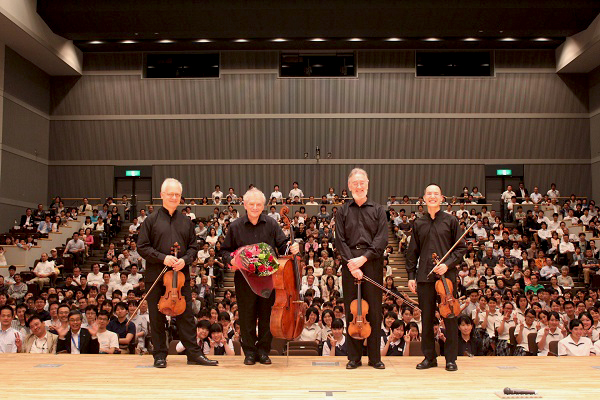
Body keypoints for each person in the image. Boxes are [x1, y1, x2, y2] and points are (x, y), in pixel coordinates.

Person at [137, 178, 218, 368]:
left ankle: (193, 354)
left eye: (177, 194)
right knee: (157, 317)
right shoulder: (151, 220)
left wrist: (185, 260)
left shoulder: (186, 222)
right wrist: (162, 258)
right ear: (162, 195)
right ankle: (159, 355)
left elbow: (193, 247)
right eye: (170, 194)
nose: (174, 197)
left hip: (180, 279)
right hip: (156, 277)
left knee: (186, 316)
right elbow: (142, 247)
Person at [222, 187, 299, 365]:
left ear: (263, 205)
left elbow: (282, 246)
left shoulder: (272, 224)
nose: (255, 207)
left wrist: (291, 248)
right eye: (251, 204)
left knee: (266, 315)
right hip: (244, 279)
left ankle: (264, 351)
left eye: (258, 204)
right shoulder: (235, 226)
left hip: (268, 278)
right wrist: (231, 260)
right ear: (245, 205)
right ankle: (249, 352)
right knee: (247, 315)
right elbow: (225, 250)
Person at [406, 184, 467, 372]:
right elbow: (412, 252)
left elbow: (461, 248)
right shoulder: (418, 223)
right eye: (429, 194)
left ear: (442, 198)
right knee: (426, 318)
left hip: (446, 277)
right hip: (424, 276)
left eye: (436, 194)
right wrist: (410, 276)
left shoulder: (451, 221)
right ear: (424, 198)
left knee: (449, 317)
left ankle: (451, 359)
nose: (432, 197)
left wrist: (446, 264)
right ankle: (429, 357)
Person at [334, 168, 387, 370]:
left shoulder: (378, 209)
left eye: (361, 182)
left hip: (371, 262)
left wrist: (363, 259)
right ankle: (354, 358)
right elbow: (340, 240)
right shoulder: (342, 211)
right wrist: (351, 263)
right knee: (353, 312)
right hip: (350, 264)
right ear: (349, 186)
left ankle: (375, 358)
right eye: (354, 183)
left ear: (368, 183)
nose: (358, 186)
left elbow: (381, 238)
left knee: (373, 312)